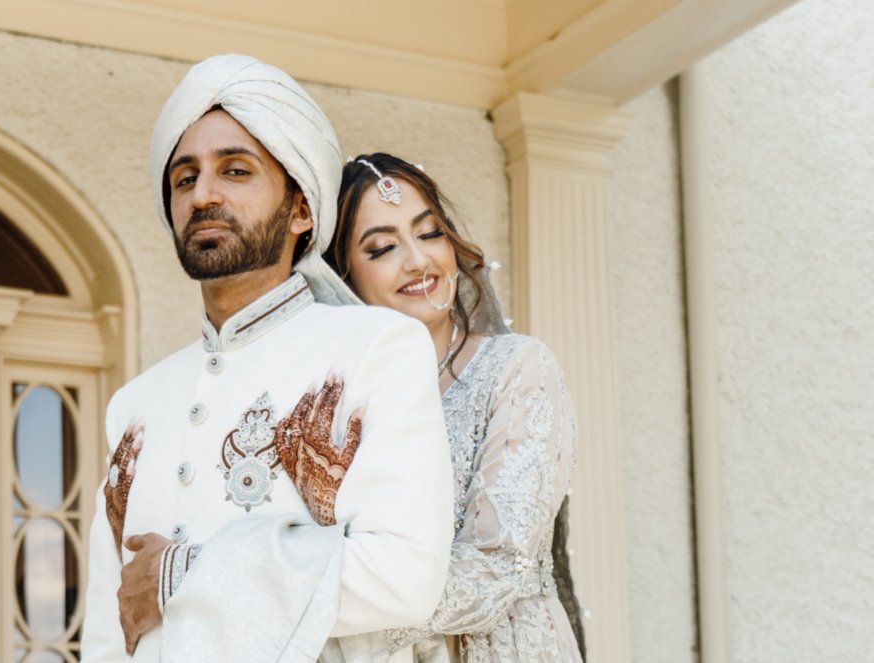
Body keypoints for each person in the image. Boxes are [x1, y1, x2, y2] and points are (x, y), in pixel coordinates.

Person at [81, 57, 455, 663]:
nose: (204, 195)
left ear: (301, 208)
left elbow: (404, 576)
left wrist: (183, 575)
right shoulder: (136, 405)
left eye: (235, 170)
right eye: (184, 179)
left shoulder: (375, 349)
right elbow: (109, 626)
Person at [323, 153, 585, 662]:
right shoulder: (334, 403)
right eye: (382, 248)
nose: (417, 261)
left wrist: (303, 603)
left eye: (429, 233)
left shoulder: (517, 370)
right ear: (343, 278)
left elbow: (498, 567)